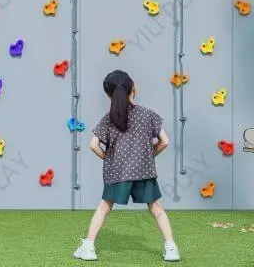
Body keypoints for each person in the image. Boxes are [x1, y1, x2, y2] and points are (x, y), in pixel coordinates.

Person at [73, 70, 180, 262]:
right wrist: (148, 155)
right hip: (144, 172)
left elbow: (92, 145)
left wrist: (108, 158)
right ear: (133, 87)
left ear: (109, 95)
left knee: (104, 207)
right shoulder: (148, 115)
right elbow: (164, 141)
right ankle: (171, 248)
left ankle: (88, 247)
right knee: (156, 208)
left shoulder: (109, 118)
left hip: (118, 173)